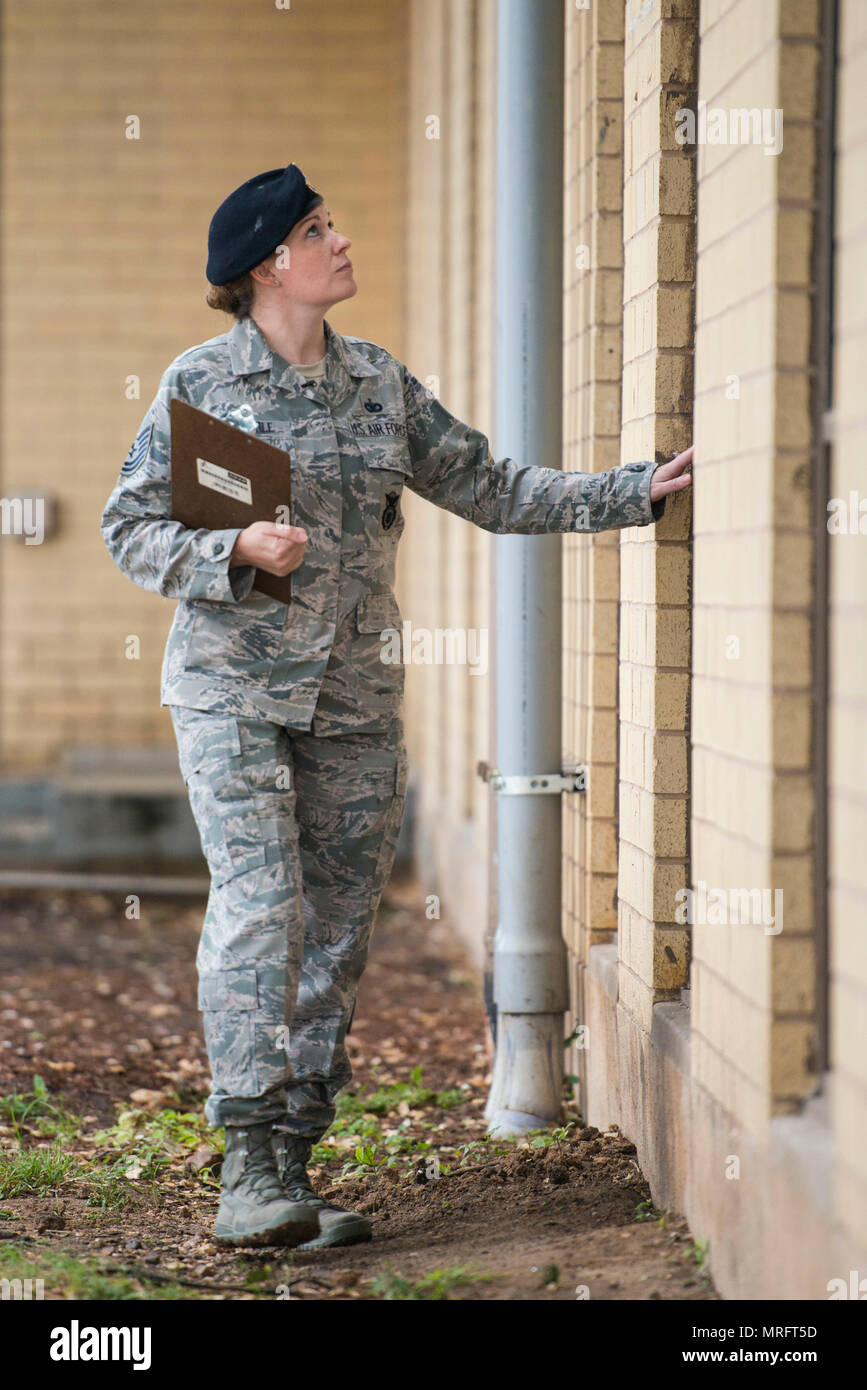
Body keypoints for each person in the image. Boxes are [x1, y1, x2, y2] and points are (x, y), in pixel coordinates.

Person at [100, 160, 693, 1251]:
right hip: (233, 690)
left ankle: (291, 1160)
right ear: (270, 264)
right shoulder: (202, 384)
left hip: (355, 703)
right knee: (261, 901)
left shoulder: (378, 383)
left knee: (337, 930)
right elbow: (128, 526)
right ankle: (246, 1155)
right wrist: (230, 545)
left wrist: (631, 490)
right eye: (321, 230)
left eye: (334, 224)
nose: (343, 241)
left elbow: (492, 485)